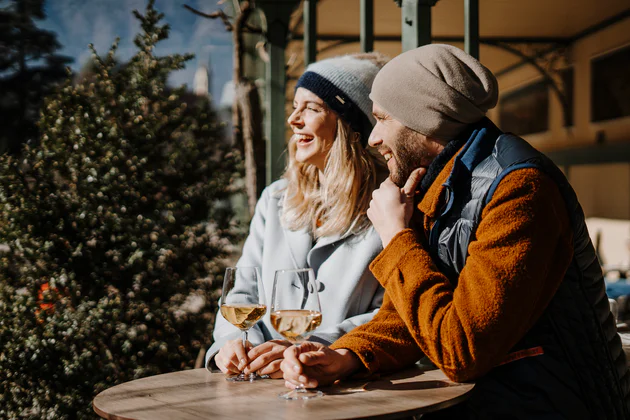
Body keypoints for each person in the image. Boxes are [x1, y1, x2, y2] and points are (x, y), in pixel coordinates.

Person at [281, 44, 630, 419]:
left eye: (383, 119)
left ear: (424, 119)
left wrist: (396, 237)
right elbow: (410, 318)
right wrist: (348, 356)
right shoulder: (437, 183)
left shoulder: (520, 189)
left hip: (553, 406)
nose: (373, 138)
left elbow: (462, 351)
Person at [205, 53, 389, 379]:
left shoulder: (386, 207)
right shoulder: (275, 199)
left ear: (351, 126)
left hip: (346, 387)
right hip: (263, 384)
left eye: (312, 108)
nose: (293, 119)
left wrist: (314, 348)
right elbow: (242, 290)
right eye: (295, 105)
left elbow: (388, 314)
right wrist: (232, 342)